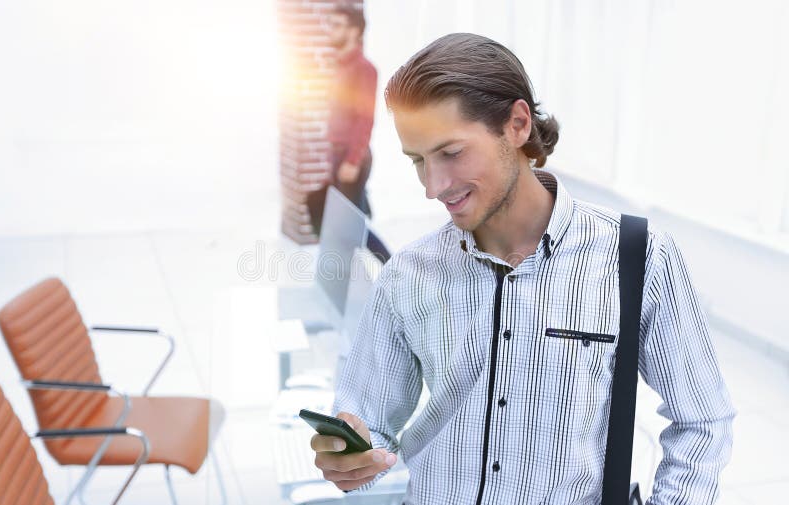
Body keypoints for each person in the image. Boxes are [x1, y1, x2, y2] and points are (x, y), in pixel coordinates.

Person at [310, 33, 735, 504]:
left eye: (451, 153)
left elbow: (703, 421)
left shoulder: (637, 258)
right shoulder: (409, 273)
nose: (434, 186)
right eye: (418, 161)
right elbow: (368, 426)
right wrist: (351, 458)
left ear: (516, 124)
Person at [307, 3, 378, 235]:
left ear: (354, 31)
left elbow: (365, 118)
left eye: (337, 25)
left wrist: (353, 160)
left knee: (348, 227)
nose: (331, 30)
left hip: (351, 156)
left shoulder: (364, 70)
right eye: (331, 24)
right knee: (345, 220)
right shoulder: (341, 67)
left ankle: (388, 263)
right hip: (338, 154)